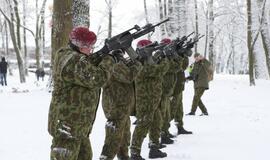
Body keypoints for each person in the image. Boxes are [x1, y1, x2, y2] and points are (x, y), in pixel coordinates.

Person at [48, 26, 115, 160]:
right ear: (78, 45)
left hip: (78, 128)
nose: (91, 49)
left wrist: (104, 52)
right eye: (88, 45)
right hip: (67, 129)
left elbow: (87, 63)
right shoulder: (70, 59)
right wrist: (109, 59)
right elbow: (98, 78)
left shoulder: (76, 57)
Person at [99, 49, 142, 160]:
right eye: (121, 55)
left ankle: (124, 157)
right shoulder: (114, 65)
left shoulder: (118, 64)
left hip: (123, 107)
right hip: (116, 107)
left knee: (124, 138)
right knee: (113, 141)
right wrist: (137, 63)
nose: (123, 58)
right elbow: (129, 76)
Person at [130, 39, 169, 160]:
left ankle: (154, 147)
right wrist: (165, 58)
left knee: (157, 122)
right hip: (145, 101)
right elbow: (159, 70)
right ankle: (135, 153)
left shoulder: (148, 60)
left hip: (154, 100)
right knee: (142, 126)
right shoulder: (138, 63)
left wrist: (161, 54)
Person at [157, 38, 184, 145]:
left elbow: (179, 66)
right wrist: (175, 56)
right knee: (163, 114)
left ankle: (165, 133)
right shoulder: (161, 56)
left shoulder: (167, 56)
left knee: (166, 114)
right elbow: (175, 67)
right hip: (163, 89)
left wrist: (177, 54)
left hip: (168, 89)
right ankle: (162, 135)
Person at [170, 49, 193, 135]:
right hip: (174, 87)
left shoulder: (177, 56)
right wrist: (181, 55)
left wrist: (184, 54)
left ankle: (180, 126)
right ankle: (164, 131)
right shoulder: (171, 57)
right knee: (171, 110)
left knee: (179, 109)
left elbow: (184, 65)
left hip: (179, 86)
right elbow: (181, 66)